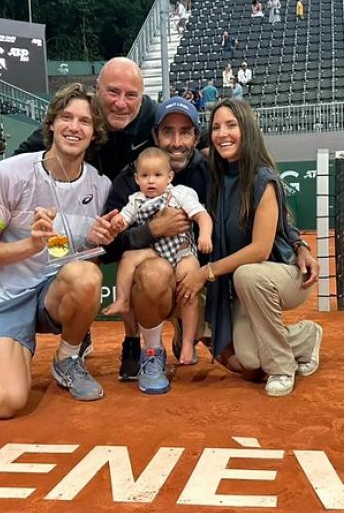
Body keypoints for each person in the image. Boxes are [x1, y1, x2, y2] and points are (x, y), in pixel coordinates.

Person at [102, 96, 318, 389]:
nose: (176, 141)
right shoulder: (132, 178)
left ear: (195, 137)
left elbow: (272, 219)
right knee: (151, 273)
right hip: (170, 279)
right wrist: (151, 230)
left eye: (185, 132)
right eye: (168, 131)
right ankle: (150, 349)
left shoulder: (213, 169)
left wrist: (298, 244)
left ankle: (305, 336)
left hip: (213, 280)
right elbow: (111, 247)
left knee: (248, 366)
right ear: (155, 135)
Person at [0, 83, 119, 418]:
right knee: (6, 403)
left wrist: (99, 240)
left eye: (85, 121)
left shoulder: (101, 186)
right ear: (51, 123)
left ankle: (68, 357)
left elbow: (81, 256)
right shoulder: (8, 173)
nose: (74, 127)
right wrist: (30, 245)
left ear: (95, 133)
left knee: (86, 276)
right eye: (66, 117)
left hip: (54, 294)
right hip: (8, 296)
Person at [175, 99, 323, 397]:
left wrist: (206, 272)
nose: (223, 134)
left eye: (231, 125)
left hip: (282, 275)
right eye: (216, 127)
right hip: (244, 286)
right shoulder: (216, 172)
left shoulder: (263, 179)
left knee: (247, 274)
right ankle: (307, 337)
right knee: (250, 359)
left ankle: (281, 368)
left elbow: (260, 250)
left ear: (247, 129)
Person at [104, 146, 213, 371]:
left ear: (169, 177)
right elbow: (122, 221)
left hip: (181, 251)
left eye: (157, 175)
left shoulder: (180, 193)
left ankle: (187, 342)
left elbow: (202, 216)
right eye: (145, 176)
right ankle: (123, 299)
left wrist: (204, 235)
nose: (151, 181)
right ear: (137, 179)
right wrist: (116, 224)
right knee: (128, 257)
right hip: (155, 252)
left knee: (188, 285)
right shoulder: (135, 200)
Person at [15, 57, 158, 181]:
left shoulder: (154, 118)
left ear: (141, 97)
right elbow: (16, 165)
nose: (121, 103)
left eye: (131, 95)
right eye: (113, 92)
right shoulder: (78, 117)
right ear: (97, 89)